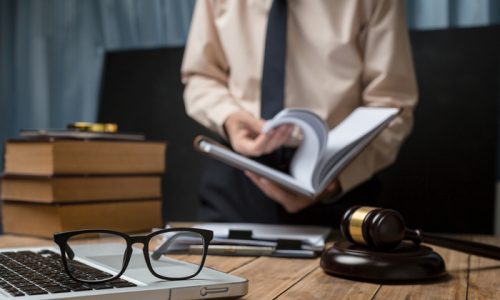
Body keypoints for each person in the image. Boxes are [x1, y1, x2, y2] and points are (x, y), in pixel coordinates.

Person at [181, 0, 417, 226]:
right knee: (210, 266)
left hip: (336, 180)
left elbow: (392, 102)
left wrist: (334, 180)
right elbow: (201, 75)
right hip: (240, 173)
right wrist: (228, 117)